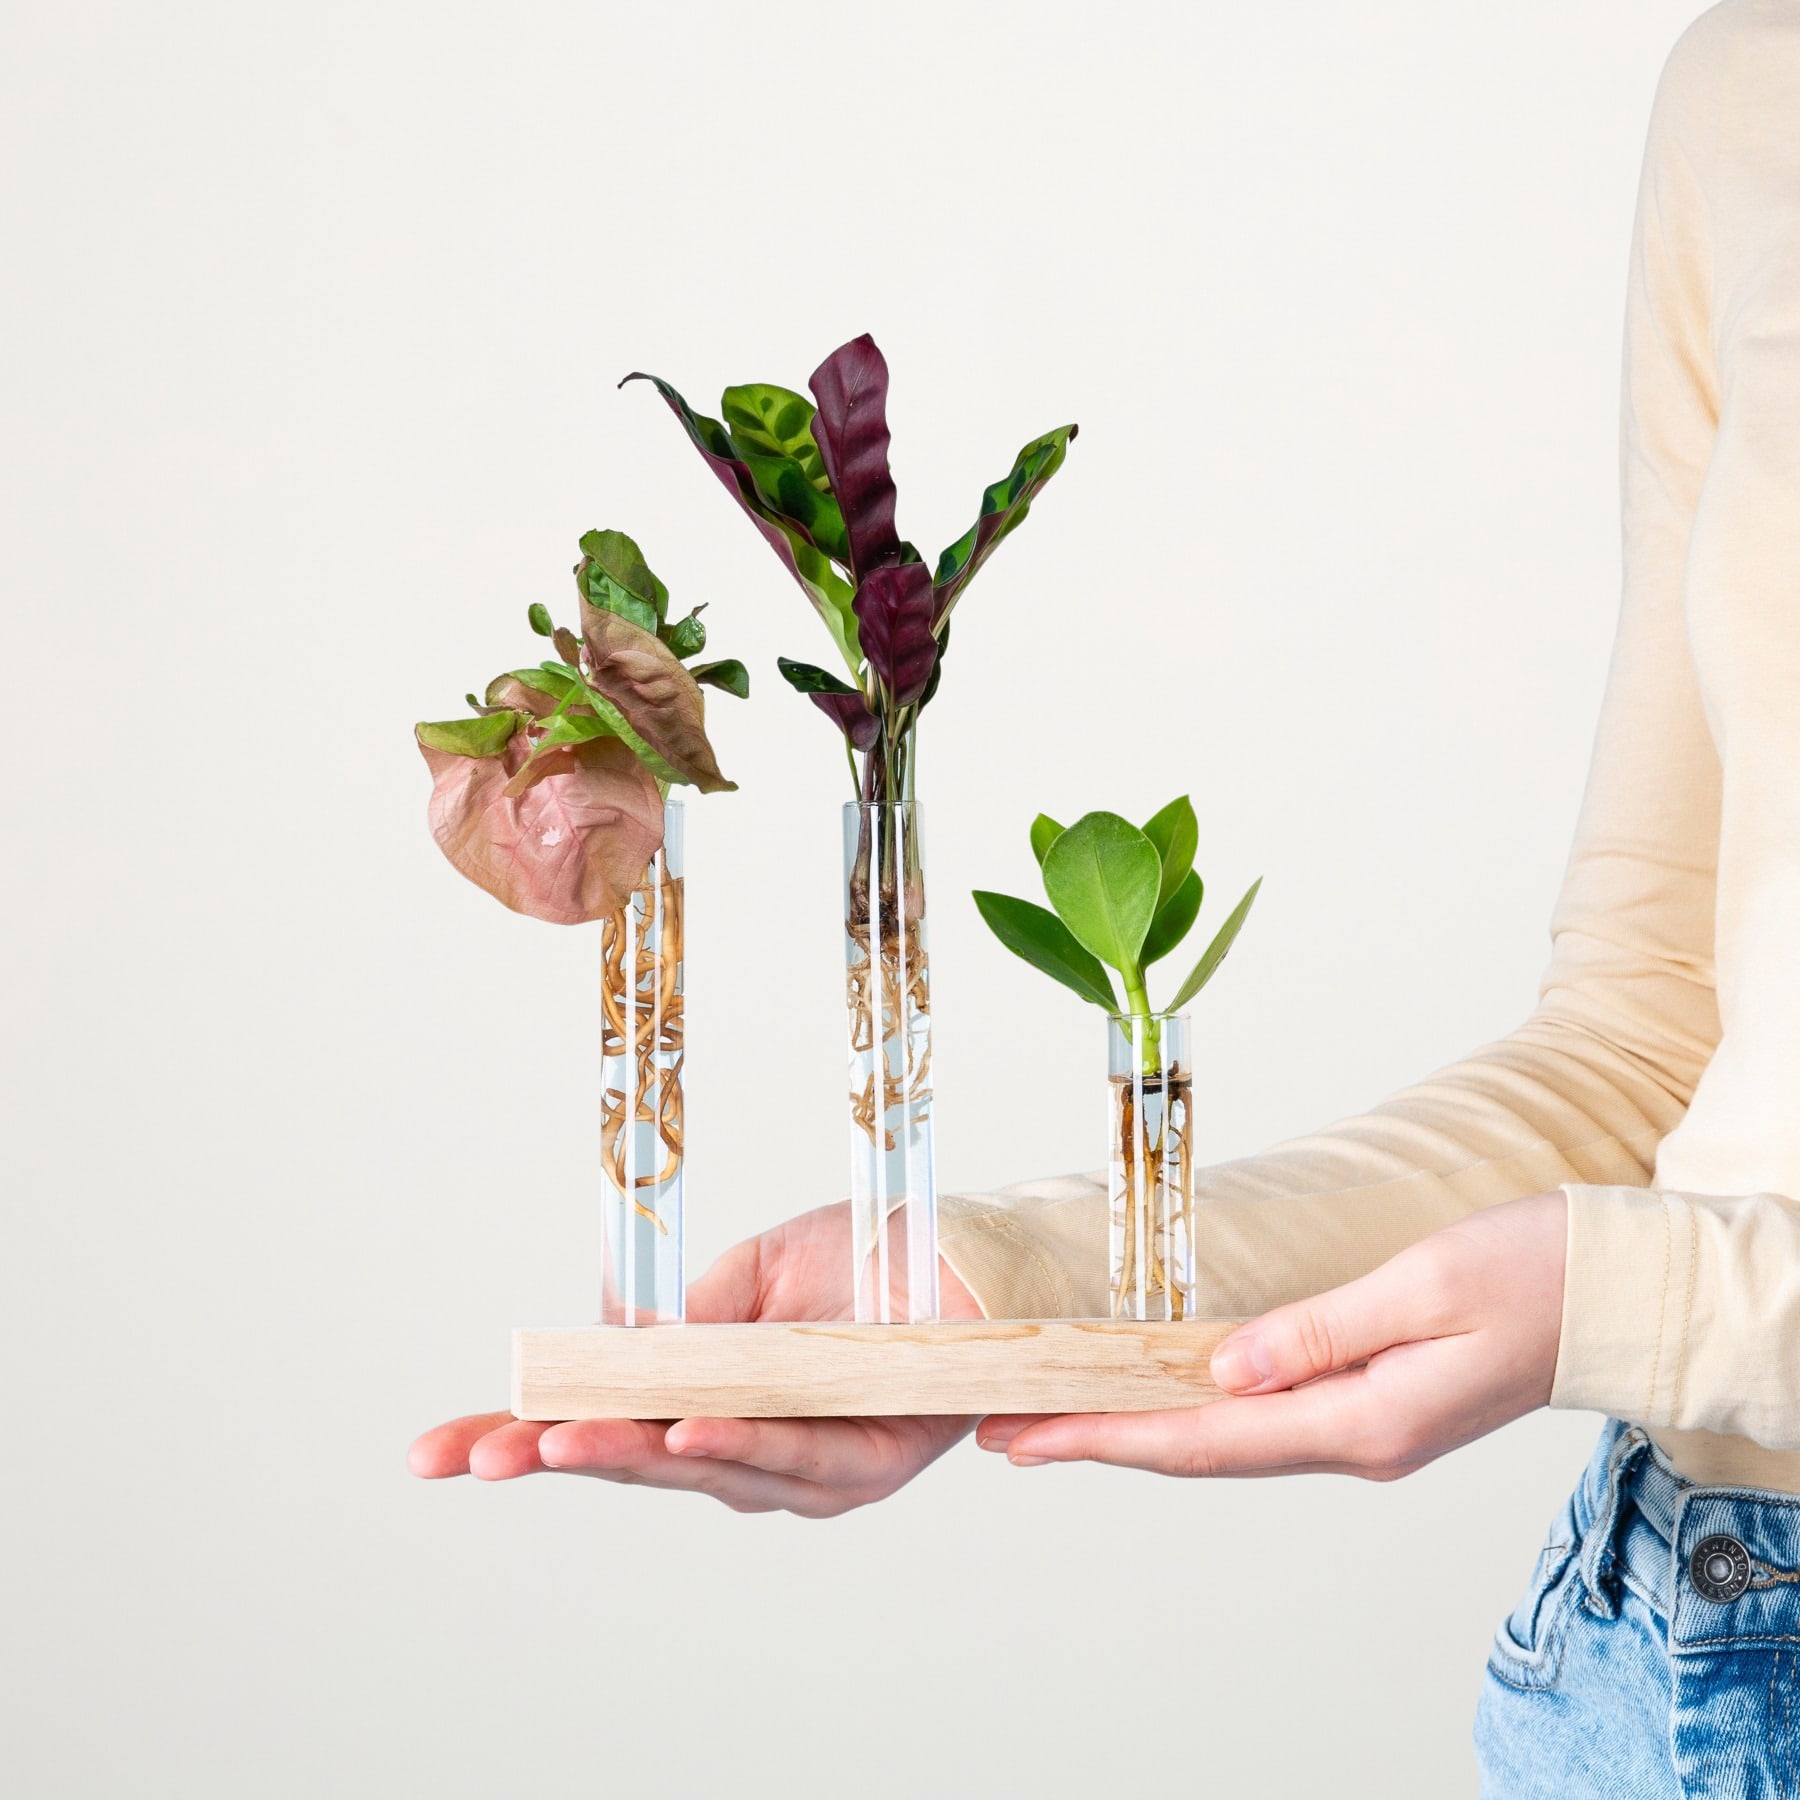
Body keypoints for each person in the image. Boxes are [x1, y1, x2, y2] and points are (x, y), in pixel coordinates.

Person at [411, 3, 1800, 1787]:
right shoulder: (1751, 89)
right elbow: (1648, 1042)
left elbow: (1640, 1268)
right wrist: (1014, 1277)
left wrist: (1639, 1308)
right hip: (1677, 1642)